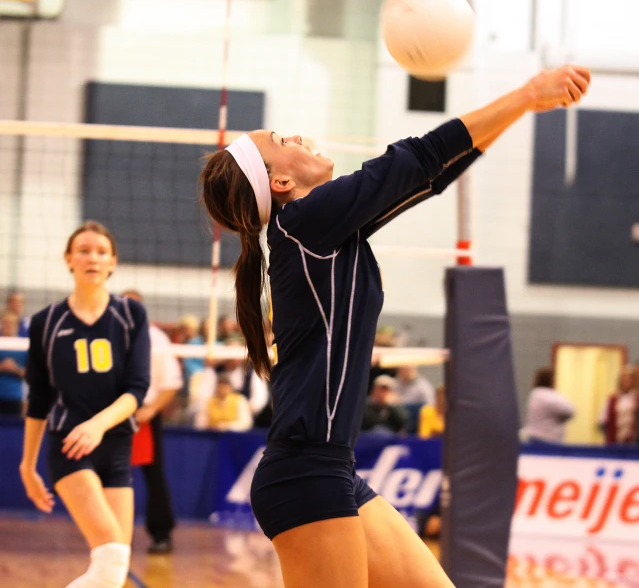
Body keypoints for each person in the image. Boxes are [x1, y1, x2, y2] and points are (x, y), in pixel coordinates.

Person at [199, 65, 590, 588]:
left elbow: (431, 174)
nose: (297, 136)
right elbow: (418, 157)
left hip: (332, 470)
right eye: (281, 140)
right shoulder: (304, 225)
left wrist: (523, 108)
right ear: (281, 182)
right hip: (305, 474)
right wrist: (523, 94)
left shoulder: (323, 228)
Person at [19, 221, 150, 588]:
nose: (92, 257)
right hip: (70, 444)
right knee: (111, 556)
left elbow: (137, 390)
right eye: (83, 250)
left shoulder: (130, 315)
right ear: (68, 260)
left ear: (112, 263)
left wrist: (98, 425)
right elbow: (39, 399)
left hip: (117, 444)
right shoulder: (46, 322)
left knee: (114, 572)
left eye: (101, 252)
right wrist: (28, 466)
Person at [121, 289, 182, 555]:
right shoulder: (107, 333)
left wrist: (150, 410)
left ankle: (161, 534)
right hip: (112, 414)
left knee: (153, 476)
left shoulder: (156, 339)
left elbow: (171, 384)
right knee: (110, 475)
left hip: (144, 414)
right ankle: (113, 537)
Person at [521, 367, 576, 444]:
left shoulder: (535, 394)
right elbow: (569, 410)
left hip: (541, 438)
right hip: (545, 440)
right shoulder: (544, 395)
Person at [599, 365, 638, 444]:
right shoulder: (611, 399)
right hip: (614, 442)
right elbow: (602, 422)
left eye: (629, 379)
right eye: (624, 379)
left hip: (633, 443)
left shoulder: (636, 398)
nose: (627, 382)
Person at [0, 309, 28, 416]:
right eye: (5, 323)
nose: (8, 326)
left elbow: (30, 375)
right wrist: (2, 367)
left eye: (11, 323)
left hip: (14, 396)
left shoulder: (24, 345)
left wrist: (15, 368)